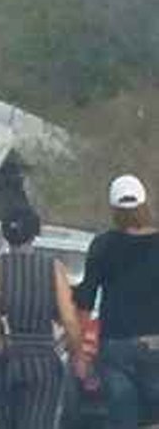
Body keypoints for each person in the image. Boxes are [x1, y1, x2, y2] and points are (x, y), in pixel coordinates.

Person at [0, 208, 83, 429]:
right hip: (42, 365)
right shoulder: (53, 269)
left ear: (5, 235)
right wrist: (78, 355)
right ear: (35, 234)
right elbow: (70, 320)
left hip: (0, 363)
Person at [73, 175, 159, 429]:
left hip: (114, 348)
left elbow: (85, 301)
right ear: (145, 205)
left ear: (114, 209)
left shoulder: (103, 245)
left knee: (123, 419)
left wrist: (80, 354)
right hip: (156, 346)